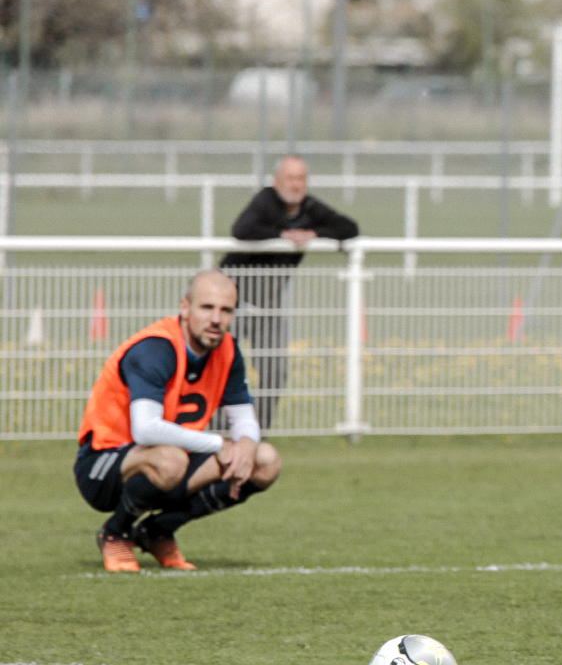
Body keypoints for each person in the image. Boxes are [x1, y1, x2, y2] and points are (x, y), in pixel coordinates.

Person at [76, 270, 283, 572]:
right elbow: (145, 430)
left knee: (266, 460)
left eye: (226, 310)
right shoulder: (156, 348)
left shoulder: (226, 350)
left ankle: (157, 530)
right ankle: (115, 531)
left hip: (174, 460)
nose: (216, 319)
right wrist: (219, 445)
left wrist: (247, 446)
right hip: (103, 465)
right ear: (185, 308)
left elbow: (243, 417)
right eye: (207, 307)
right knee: (170, 460)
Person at [221, 155, 359, 429]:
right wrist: (283, 235)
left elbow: (349, 228)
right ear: (276, 181)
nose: (296, 185)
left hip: (270, 301)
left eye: (301, 178)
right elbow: (242, 229)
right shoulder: (265, 201)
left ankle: (255, 433)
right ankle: (214, 428)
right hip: (232, 297)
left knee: (274, 372)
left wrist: (313, 233)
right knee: (219, 365)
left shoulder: (309, 208)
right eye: (290, 178)